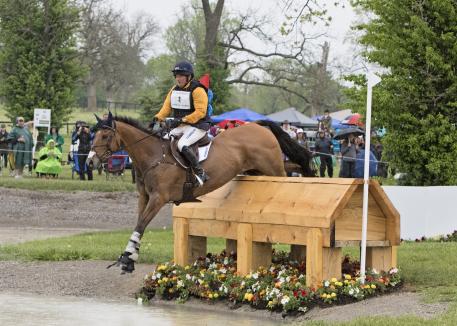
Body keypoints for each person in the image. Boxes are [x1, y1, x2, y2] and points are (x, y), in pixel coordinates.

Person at [153, 61, 210, 186]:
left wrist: (181, 120)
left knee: (182, 144)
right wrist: (157, 119)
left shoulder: (198, 90)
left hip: (198, 126)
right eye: (176, 76)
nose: (178, 78)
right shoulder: (174, 90)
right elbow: (166, 108)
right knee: (163, 140)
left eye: (181, 76)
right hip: (181, 126)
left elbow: (200, 112)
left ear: (188, 76)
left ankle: (200, 172)